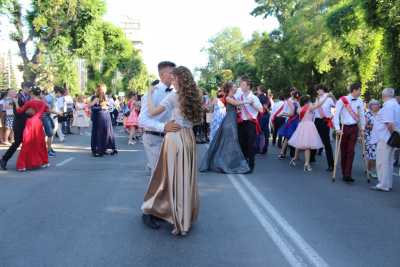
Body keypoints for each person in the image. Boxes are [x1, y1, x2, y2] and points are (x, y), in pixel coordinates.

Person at [141, 66, 202, 236]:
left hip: (175, 137)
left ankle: (179, 220)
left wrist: (149, 94)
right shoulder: (195, 94)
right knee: (185, 178)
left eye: (174, 79)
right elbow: (197, 120)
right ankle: (185, 216)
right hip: (189, 138)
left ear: (179, 79)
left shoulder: (174, 96)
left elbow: (152, 112)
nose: (172, 81)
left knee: (174, 178)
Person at [199, 81, 251, 174]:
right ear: (230, 88)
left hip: (232, 121)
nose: (236, 88)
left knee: (230, 142)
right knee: (230, 142)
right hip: (229, 122)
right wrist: (248, 101)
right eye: (235, 86)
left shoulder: (232, 97)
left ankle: (229, 163)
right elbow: (236, 103)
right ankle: (226, 164)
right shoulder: (228, 98)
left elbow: (237, 105)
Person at [138, 61, 180, 173]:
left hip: (169, 138)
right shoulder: (152, 93)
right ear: (162, 75)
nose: (174, 75)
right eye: (171, 73)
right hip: (154, 138)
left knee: (169, 174)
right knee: (159, 175)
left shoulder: (175, 93)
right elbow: (142, 120)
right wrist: (163, 127)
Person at [333, 83, 365, 183]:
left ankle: (348, 174)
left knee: (351, 151)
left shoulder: (360, 101)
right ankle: (344, 172)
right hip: (344, 127)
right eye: (359, 90)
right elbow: (336, 114)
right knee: (343, 150)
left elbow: (362, 116)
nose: (360, 92)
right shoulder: (342, 100)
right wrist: (337, 128)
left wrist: (362, 129)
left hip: (354, 128)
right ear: (354, 90)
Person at [370, 88, 400, 192]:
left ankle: (383, 184)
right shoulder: (396, 105)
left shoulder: (388, 106)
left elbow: (389, 124)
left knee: (382, 162)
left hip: (386, 138)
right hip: (390, 137)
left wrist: (393, 136)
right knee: (389, 162)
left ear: (383, 96)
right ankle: (387, 183)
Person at [14, 86, 49, 172]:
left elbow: (19, 111)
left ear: (32, 93)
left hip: (31, 123)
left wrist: (16, 102)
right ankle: (45, 162)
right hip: (39, 123)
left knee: (27, 143)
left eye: (30, 93)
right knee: (40, 143)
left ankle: (22, 165)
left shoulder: (30, 102)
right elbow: (48, 110)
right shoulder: (43, 103)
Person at [288, 95, 327, 171]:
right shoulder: (309, 107)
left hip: (301, 126)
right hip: (309, 126)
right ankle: (306, 164)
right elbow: (319, 105)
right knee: (307, 146)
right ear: (307, 101)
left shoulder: (299, 109)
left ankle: (294, 158)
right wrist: (324, 98)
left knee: (299, 143)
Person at [0, 82, 33, 170]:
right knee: (17, 142)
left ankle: (27, 162)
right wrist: (28, 112)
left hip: (28, 122)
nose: (30, 89)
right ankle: (4, 159)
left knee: (28, 142)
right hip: (19, 123)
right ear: (24, 87)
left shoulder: (29, 97)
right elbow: (18, 112)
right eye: (29, 87)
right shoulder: (17, 97)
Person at [234, 77, 263, 173]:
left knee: (251, 144)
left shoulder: (254, 98)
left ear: (248, 86)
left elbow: (261, 110)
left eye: (243, 85)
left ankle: (251, 165)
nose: (241, 86)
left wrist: (252, 104)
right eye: (241, 84)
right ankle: (243, 163)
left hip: (250, 123)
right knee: (242, 143)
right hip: (241, 123)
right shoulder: (240, 96)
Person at [310, 85, 336, 172]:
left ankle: (331, 165)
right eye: (317, 90)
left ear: (323, 89)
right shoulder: (316, 99)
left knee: (327, 143)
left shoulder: (328, 98)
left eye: (320, 89)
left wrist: (332, 96)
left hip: (325, 121)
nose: (318, 91)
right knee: (314, 139)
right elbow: (313, 109)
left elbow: (336, 104)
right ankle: (311, 158)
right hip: (317, 121)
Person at [90, 84, 117, 157]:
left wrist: (106, 106)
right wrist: (101, 107)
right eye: (103, 90)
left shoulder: (106, 97)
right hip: (99, 117)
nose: (104, 91)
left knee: (106, 132)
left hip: (105, 116)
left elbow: (110, 106)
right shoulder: (95, 98)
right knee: (99, 133)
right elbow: (91, 107)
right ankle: (99, 148)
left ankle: (104, 148)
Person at [278, 89, 301, 159]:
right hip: (296, 121)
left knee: (287, 137)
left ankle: (283, 153)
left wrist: (283, 114)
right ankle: (294, 155)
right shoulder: (298, 102)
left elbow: (291, 113)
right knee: (294, 137)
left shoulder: (290, 101)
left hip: (292, 121)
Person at [364, 100, 380, 178]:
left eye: (377, 104)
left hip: (378, 137)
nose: (375, 106)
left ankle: (369, 169)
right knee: (371, 155)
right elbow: (364, 125)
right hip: (369, 137)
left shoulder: (380, 114)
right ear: (370, 106)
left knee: (375, 155)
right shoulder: (367, 114)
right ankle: (370, 170)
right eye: (374, 105)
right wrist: (372, 127)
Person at [255, 85, 271, 154]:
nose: (257, 91)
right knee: (265, 132)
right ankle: (264, 148)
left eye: (257, 89)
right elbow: (268, 106)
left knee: (259, 131)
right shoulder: (266, 97)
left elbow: (265, 106)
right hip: (266, 115)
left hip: (261, 115)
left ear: (260, 90)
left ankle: (259, 148)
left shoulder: (260, 97)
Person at [41, 89, 57, 157]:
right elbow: (48, 109)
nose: (44, 96)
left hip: (46, 116)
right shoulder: (40, 100)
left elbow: (49, 108)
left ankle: (49, 149)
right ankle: (48, 150)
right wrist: (57, 112)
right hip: (44, 116)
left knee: (51, 130)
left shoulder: (44, 99)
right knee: (49, 133)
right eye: (41, 94)